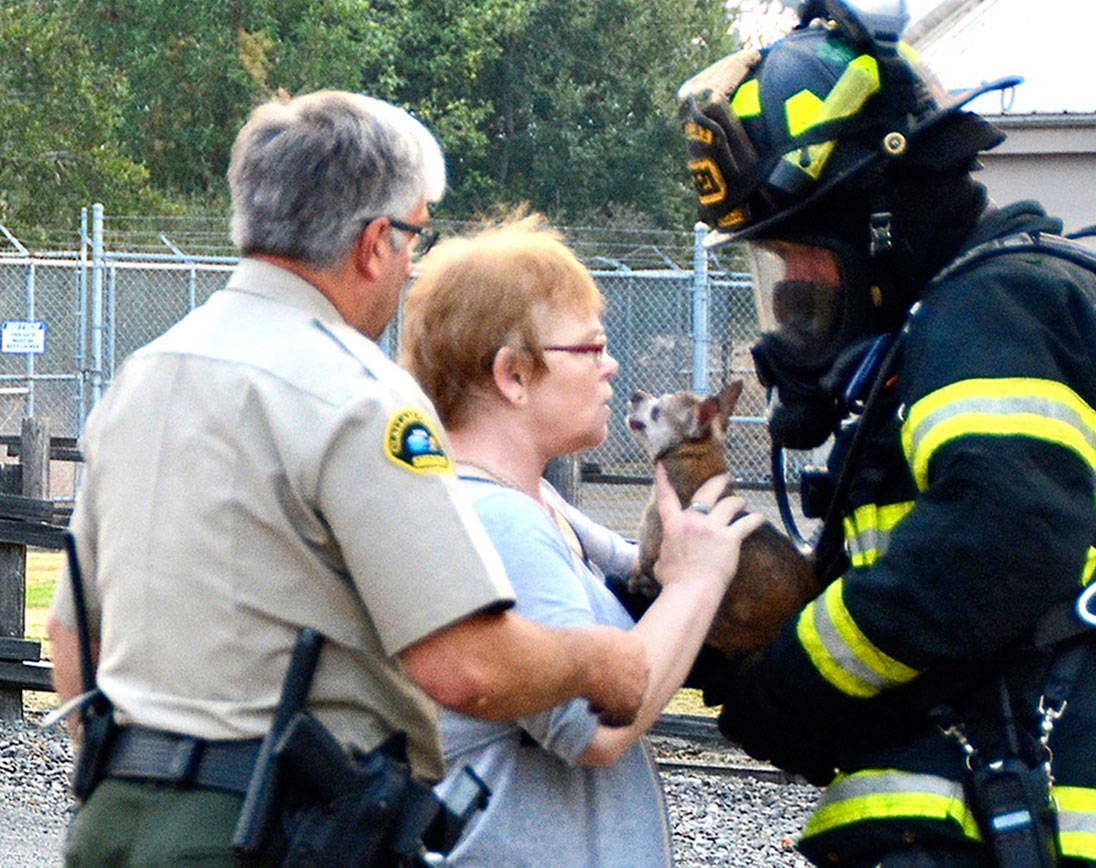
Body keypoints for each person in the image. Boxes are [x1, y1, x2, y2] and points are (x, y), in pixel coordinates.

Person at [46, 90, 651, 866]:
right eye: (414, 240)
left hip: (114, 822)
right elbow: (463, 666)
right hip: (270, 831)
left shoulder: (146, 375)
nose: (409, 268)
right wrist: (602, 660)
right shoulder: (361, 393)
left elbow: (73, 638)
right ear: (374, 242)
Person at [674, 4, 1096, 867]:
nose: (794, 285)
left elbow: (994, 540)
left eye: (805, 249)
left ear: (881, 216)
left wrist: (790, 682)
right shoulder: (940, 330)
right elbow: (925, 604)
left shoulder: (995, 309)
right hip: (989, 818)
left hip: (1035, 821)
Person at [400, 214, 766, 867]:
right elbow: (595, 728)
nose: (612, 365)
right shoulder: (498, 522)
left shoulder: (531, 505)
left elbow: (635, 585)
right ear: (513, 375)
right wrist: (699, 580)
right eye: (592, 348)